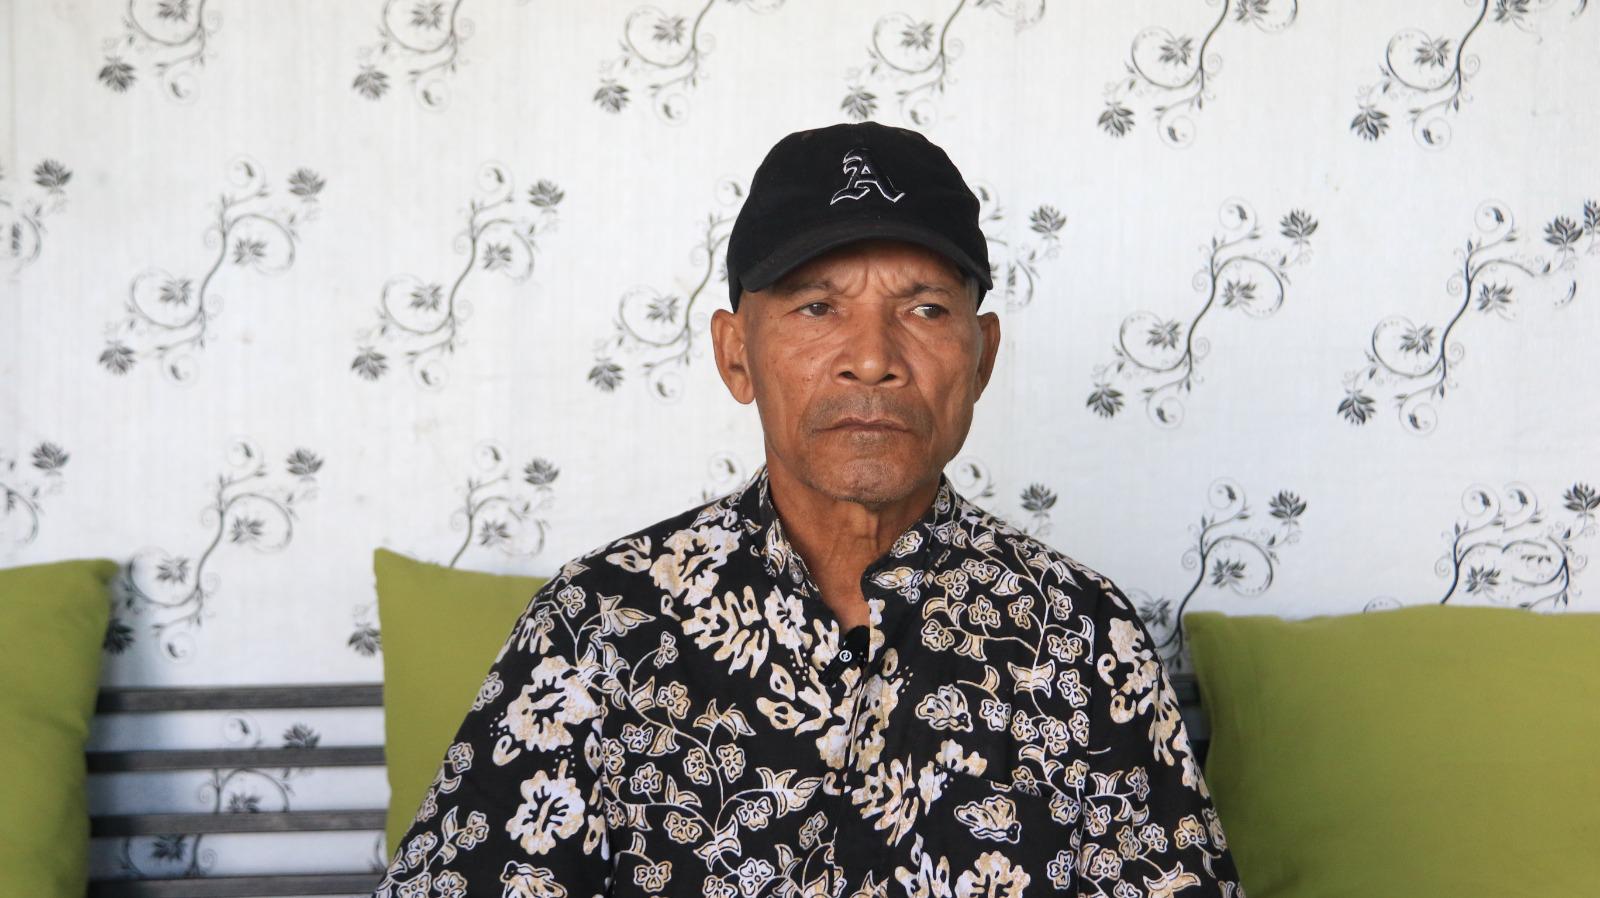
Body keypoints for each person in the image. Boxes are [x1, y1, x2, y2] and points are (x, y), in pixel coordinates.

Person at [369, 121, 1243, 898]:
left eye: (925, 308)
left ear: (981, 357)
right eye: (818, 307)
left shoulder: (1078, 634)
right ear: (736, 354)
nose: (872, 358)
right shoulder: (600, 625)